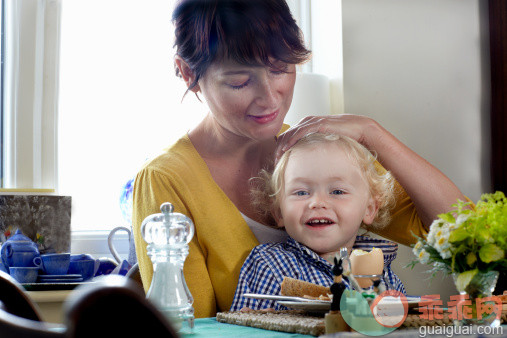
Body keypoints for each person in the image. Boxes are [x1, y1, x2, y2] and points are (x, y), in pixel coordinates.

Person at [132, 0, 467, 318]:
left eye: (280, 70)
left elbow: (462, 235)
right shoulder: (166, 180)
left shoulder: (317, 154)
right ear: (188, 73)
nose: (269, 98)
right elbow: (188, 324)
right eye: (239, 81)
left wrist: (371, 133)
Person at [230, 133, 405, 311]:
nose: (317, 203)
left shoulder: (385, 276)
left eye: (337, 192)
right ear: (279, 212)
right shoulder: (269, 264)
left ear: (369, 209)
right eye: (301, 192)